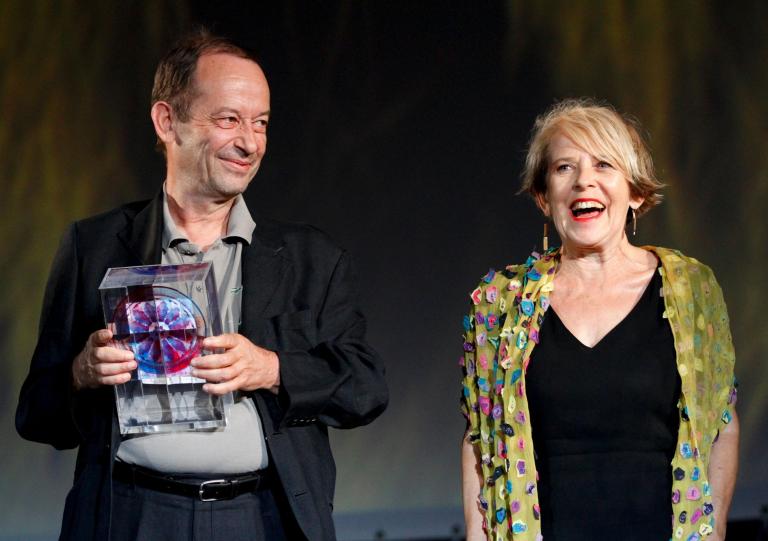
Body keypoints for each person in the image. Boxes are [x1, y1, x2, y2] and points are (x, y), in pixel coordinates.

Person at [16, 29, 388, 541]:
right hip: (130, 517)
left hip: (262, 518)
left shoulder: (310, 257)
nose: (250, 143)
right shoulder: (93, 247)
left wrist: (272, 369)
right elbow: (36, 416)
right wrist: (80, 372)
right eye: (229, 119)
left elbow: (366, 389)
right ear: (168, 121)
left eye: (260, 123)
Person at [460, 99, 738, 541]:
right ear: (542, 197)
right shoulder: (500, 305)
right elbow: (481, 439)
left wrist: (715, 527)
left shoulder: (690, 291)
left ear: (636, 192)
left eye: (604, 164)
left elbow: (722, 422)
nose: (583, 180)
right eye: (564, 168)